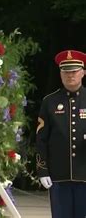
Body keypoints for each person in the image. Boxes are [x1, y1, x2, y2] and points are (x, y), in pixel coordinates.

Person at [36, 50, 86, 218]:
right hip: (58, 176)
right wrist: (42, 170)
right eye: (65, 71)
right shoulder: (49, 102)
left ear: (83, 72)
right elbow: (41, 139)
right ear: (60, 73)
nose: (70, 75)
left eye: (74, 71)